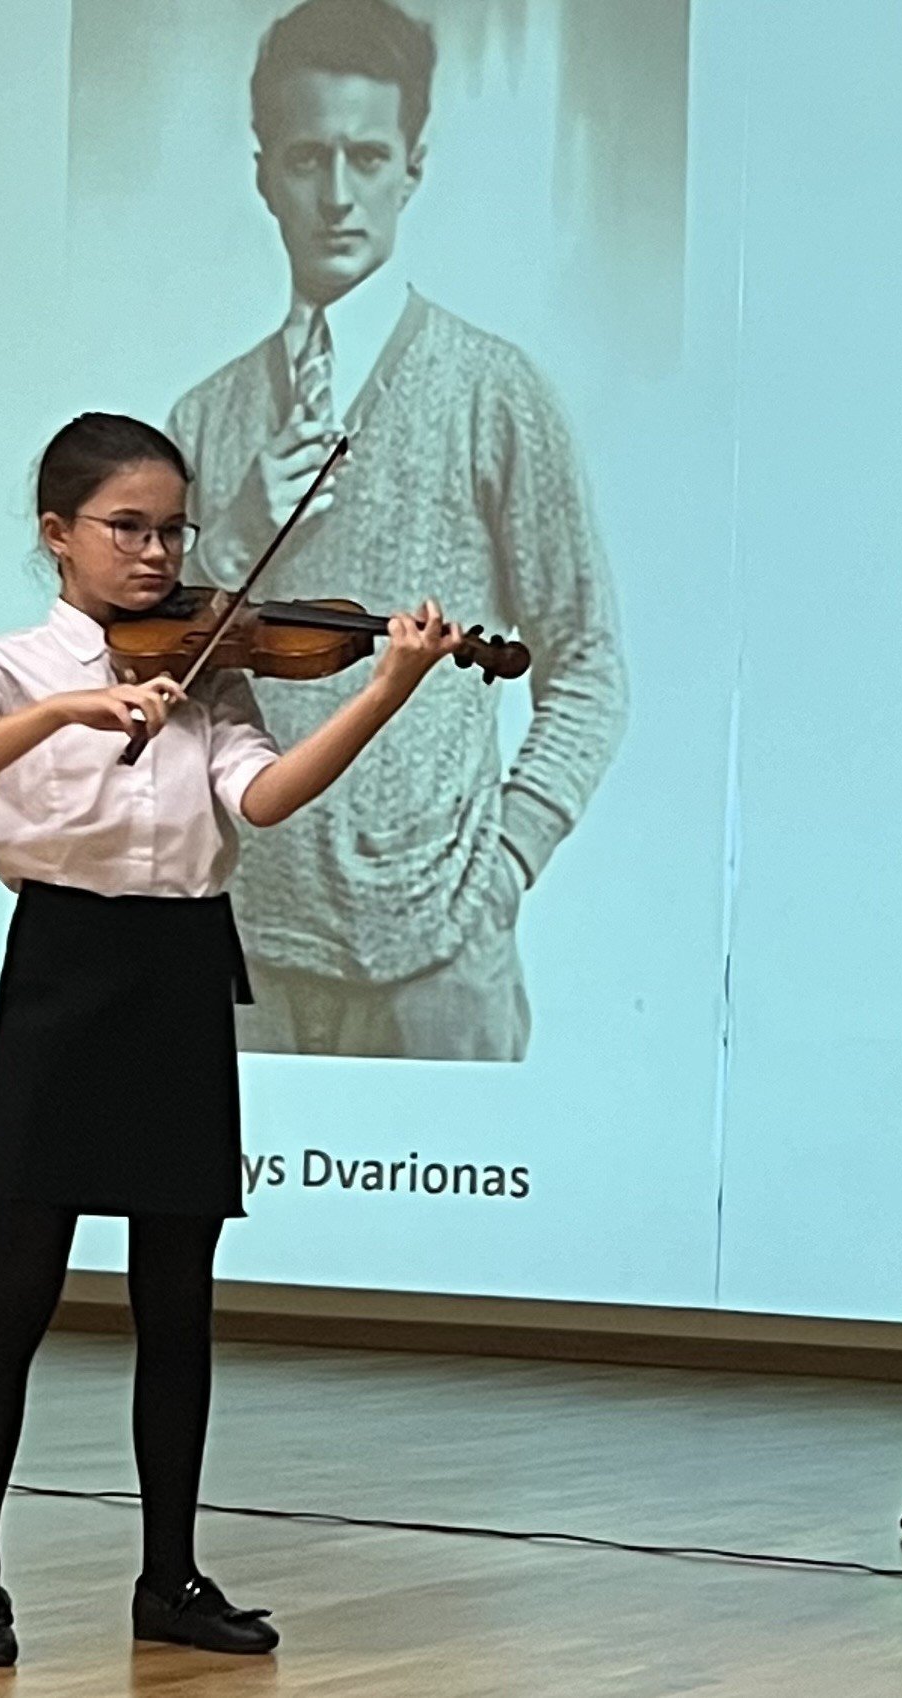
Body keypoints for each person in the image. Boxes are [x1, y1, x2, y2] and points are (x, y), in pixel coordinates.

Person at [0, 411, 463, 1667]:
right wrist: (67, 710)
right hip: (62, 967)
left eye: (172, 530)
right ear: (58, 532)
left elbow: (262, 797)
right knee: (16, 1289)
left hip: (181, 971)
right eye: (127, 528)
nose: (156, 554)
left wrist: (386, 687)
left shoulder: (212, 671)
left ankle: (170, 1578)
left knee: (178, 1298)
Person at [167, 0, 627, 1062]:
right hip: (245, 965)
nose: (337, 194)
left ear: (411, 168)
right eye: (307, 158)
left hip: (440, 970)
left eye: (366, 157)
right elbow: (144, 688)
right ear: (263, 174)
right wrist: (232, 537)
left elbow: (588, 664)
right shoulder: (207, 417)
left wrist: (505, 864)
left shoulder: (492, 392)